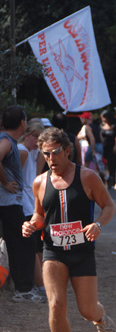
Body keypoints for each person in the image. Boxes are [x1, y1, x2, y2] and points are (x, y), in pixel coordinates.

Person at [22, 127, 116, 332]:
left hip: (82, 252)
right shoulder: (40, 182)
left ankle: (101, 317)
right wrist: (31, 224)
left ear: (67, 151)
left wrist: (98, 224)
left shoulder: (87, 177)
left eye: (55, 153)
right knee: (56, 304)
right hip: (53, 252)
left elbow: (108, 206)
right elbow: (40, 214)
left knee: (87, 310)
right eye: (46, 154)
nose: (51, 159)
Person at [0, 105, 39, 302]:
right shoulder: (6, 141)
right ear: (22, 123)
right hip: (7, 203)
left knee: (19, 242)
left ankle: (22, 286)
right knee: (24, 242)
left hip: (9, 202)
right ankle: (23, 289)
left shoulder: (9, 141)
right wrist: (5, 182)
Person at [18, 119, 47, 300]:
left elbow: (32, 178)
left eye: (39, 138)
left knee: (35, 247)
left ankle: (43, 285)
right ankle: (42, 285)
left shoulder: (30, 151)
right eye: (34, 136)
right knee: (34, 247)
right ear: (26, 134)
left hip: (30, 202)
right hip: (27, 202)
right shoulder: (24, 151)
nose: (36, 141)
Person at [100, 110, 116, 189]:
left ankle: (112, 181)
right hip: (103, 148)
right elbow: (100, 135)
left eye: (104, 118)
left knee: (112, 165)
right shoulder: (101, 125)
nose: (103, 120)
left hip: (112, 148)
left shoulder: (114, 126)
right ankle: (102, 181)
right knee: (102, 165)